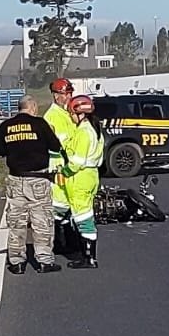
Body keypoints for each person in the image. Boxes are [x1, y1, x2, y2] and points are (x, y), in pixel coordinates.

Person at [0, 95, 64, 275]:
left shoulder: (6, 126)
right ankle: (44, 261)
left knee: (17, 222)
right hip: (38, 179)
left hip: (16, 179)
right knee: (42, 222)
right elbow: (56, 147)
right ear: (31, 107)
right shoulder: (40, 124)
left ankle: (16, 262)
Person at [61, 95, 104, 268]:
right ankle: (87, 255)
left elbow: (77, 161)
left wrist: (64, 171)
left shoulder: (83, 132)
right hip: (90, 175)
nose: (70, 117)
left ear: (79, 113)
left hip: (80, 177)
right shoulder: (94, 129)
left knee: (83, 217)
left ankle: (88, 258)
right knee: (84, 215)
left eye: (71, 113)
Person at [43, 78, 78, 226]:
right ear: (56, 96)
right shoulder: (51, 117)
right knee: (60, 205)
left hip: (71, 165)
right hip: (59, 167)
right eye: (66, 94)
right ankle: (60, 241)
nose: (69, 97)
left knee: (70, 205)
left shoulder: (68, 113)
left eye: (70, 94)